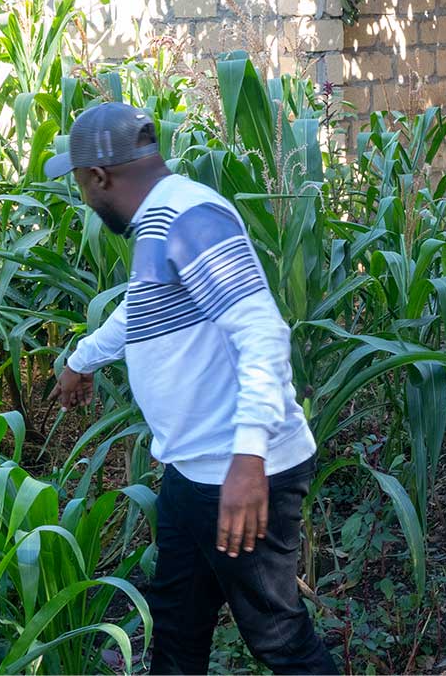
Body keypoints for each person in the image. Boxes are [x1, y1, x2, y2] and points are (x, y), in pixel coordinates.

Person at [45, 103, 335, 675]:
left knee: (279, 638)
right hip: (194, 471)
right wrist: (80, 361)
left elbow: (262, 333)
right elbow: (142, 309)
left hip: (238, 472)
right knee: (176, 625)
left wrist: (248, 459)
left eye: (78, 182)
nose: (82, 194)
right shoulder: (161, 220)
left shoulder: (189, 219)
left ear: (98, 177)